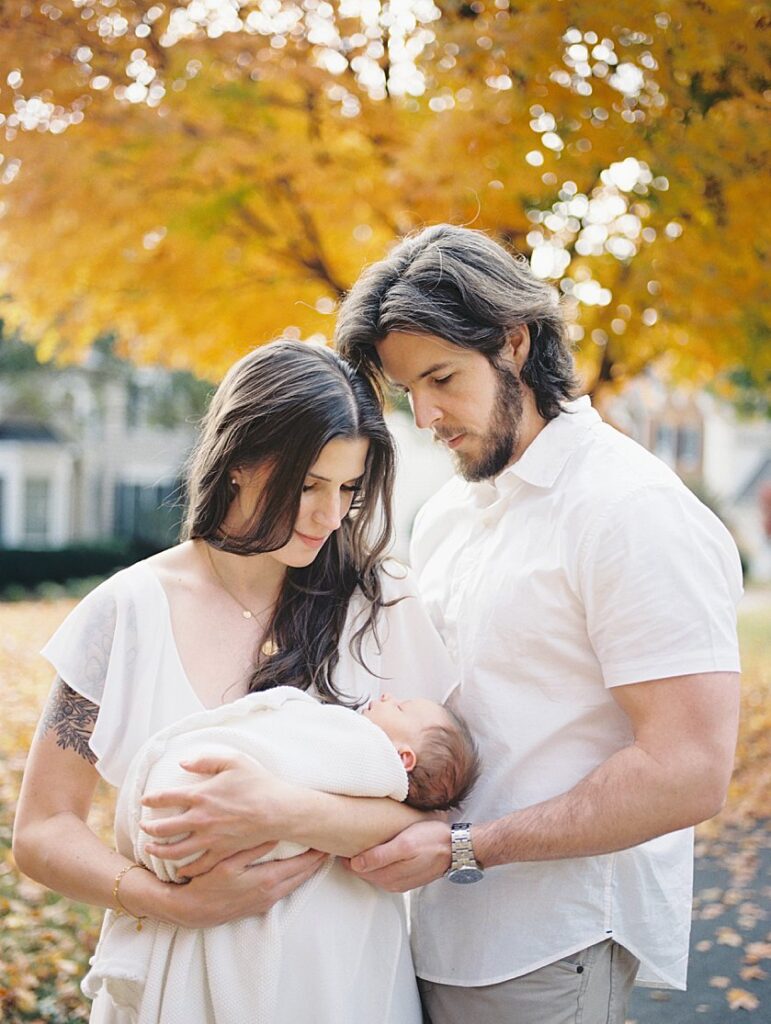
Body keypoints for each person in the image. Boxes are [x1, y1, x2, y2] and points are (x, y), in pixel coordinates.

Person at [333, 224, 743, 1024]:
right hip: (419, 930)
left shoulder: (630, 510)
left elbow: (688, 767)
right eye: (405, 390)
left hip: (545, 944)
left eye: (442, 378)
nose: (424, 416)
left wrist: (462, 848)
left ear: (513, 342)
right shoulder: (449, 512)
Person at [12, 340, 459, 1024]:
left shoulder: (382, 605)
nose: (328, 516)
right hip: (178, 989)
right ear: (240, 462)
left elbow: (434, 812)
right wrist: (168, 901)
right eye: (307, 485)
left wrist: (281, 811)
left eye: (348, 489)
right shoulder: (123, 615)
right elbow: (43, 830)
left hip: (348, 989)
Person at [82, 687, 479, 1020]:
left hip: (337, 976)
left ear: (403, 758)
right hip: (182, 897)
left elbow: (428, 826)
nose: (391, 696)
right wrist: (172, 903)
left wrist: (280, 810)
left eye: (402, 707)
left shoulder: (370, 751)